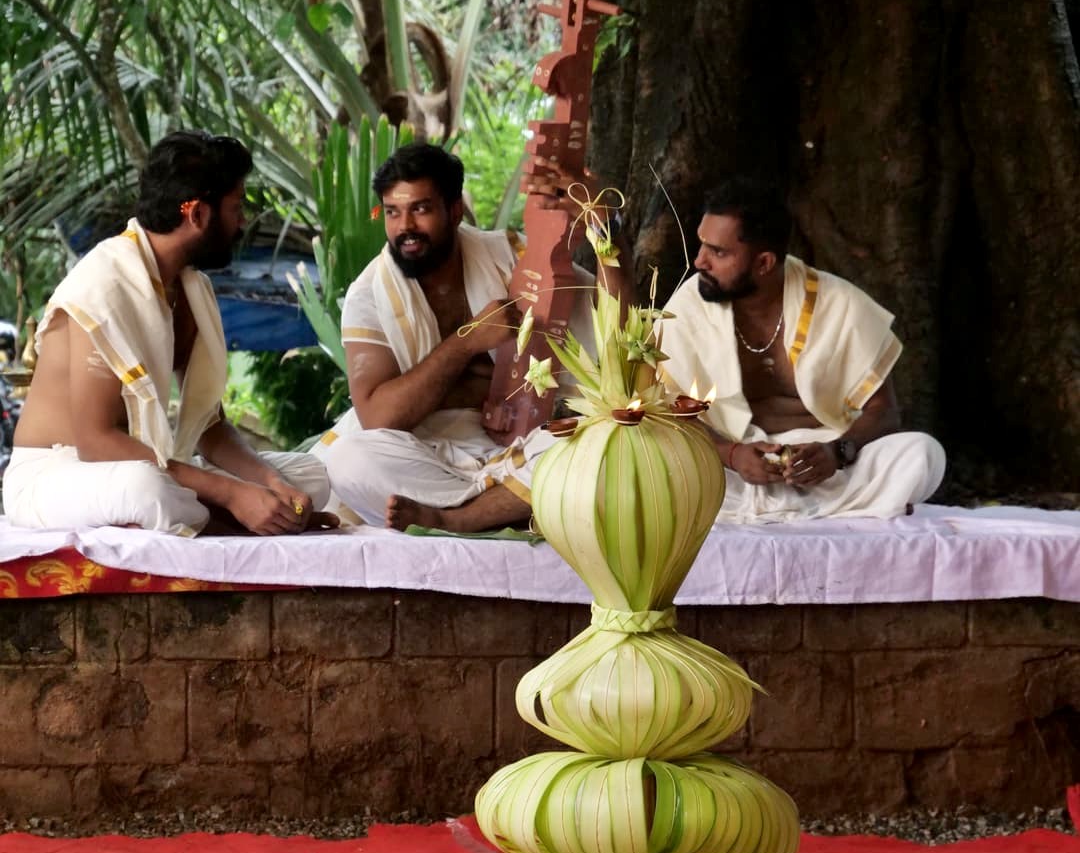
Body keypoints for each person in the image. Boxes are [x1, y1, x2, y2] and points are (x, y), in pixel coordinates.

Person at [5, 130, 335, 537]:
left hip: (145, 466)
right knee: (144, 489)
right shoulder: (104, 285)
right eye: (236, 207)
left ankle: (242, 515)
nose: (243, 222)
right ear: (197, 214)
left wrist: (273, 485)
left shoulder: (189, 287)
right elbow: (95, 441)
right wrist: (231, 493)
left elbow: (210, 429)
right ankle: (231, 518)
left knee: (309, 476)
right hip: (57, 474)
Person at [317, 143, 624, 533]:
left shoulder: (510, 258)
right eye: (392, 212)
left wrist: (605, 225)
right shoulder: (368, 295)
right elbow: (378, 417)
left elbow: (615, 326)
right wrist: (467, 341)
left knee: (603, 439)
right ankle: (511, 507)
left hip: (526, 444)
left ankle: (458, 518)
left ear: (455, 211)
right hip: (427, 458)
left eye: (420, 209)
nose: (404, 227)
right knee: (350, 459)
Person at [660, 177, 946, 521]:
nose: (699, 261)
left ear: (764, 263)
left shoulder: (839, 303)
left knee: (922, 454)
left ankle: (784, 509)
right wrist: (731, 454)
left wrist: (836, 452)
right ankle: (829, 513)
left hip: (828, 471)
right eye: (702, 245)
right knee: (655, 460)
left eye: (718, 252)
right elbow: (666, 407)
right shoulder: (690, 304)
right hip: (731, 469)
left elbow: (884, 412)